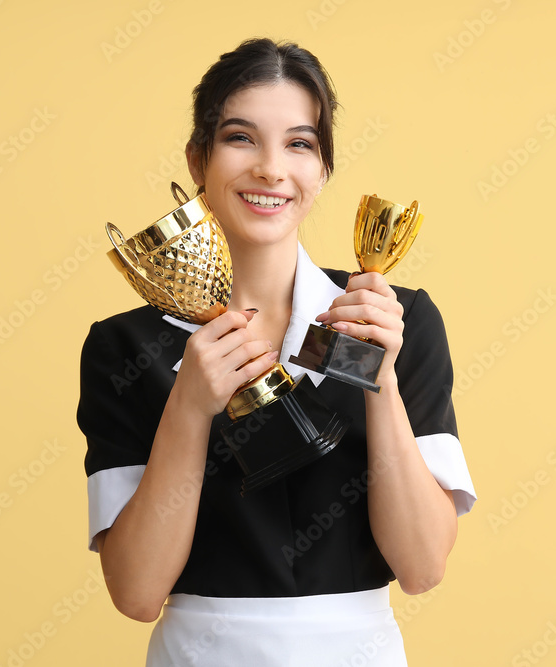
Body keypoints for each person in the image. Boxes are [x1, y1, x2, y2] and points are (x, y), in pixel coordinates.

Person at [77, 37, 477, 666]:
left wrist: (380, 378)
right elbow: (135, 591)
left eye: (299, 143)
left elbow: (423, 566)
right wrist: (188, 406)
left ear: (323, 169)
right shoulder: (128, 346)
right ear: (197, 158)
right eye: (241, 138)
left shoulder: (388, 321)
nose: (270, 169)